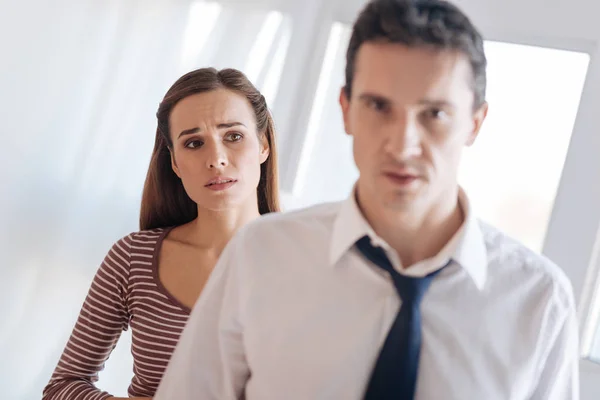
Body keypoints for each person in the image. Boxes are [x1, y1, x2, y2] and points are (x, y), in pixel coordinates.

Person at [154, 1, 579, 399]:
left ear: (474, 123)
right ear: (346, 110)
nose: (403, 144)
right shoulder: (258, 257)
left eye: (435, 113)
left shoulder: (539, 302)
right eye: (378, 105)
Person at [42, 67, 280, 400]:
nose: (216, 159)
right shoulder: (132, 258)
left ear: (263, 145)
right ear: (176, 164)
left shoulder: (308, 258)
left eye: (233, 136)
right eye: (194, 143)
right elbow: (62, 386)